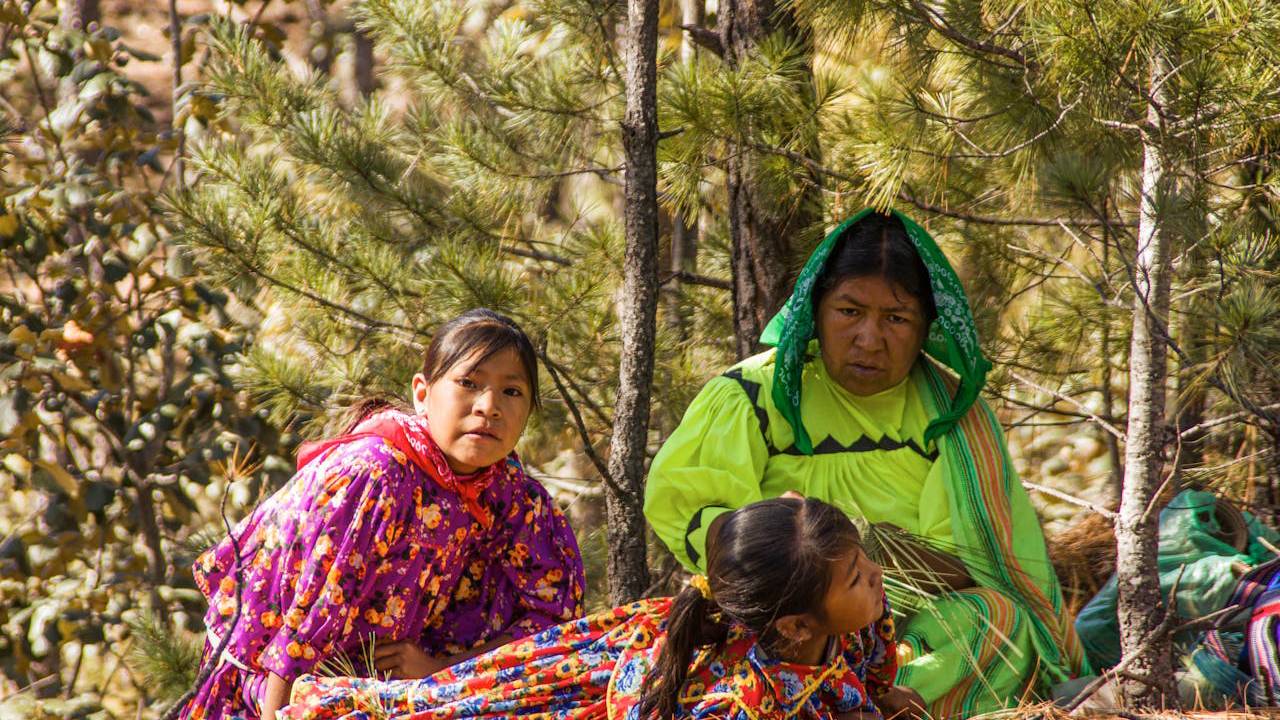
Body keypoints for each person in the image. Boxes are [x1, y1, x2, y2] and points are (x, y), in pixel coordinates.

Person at [644, 209, 1089, 717]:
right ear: (815, 309)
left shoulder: (949, 414)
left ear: (926, 328)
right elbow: (687, 506)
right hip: (788, 622)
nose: (869, 338)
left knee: (999, 621)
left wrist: (872, 559)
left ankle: (871, 693)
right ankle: (843, 692)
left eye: (896, 319)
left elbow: (986, 556)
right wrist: (802, 567)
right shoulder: (754, 395)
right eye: (849, 311)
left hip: (912, 626)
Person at [179, 309, 586, 720]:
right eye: (468, 383)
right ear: (422, 394)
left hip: (398, 684)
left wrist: (441, 671)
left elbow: (553, 620)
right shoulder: (376, 475)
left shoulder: (513, 495)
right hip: (273, 682)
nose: (489, 407)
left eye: (511, 392)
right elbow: (303, 626)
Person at [280, 497, 925, 720]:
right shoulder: (734, 700)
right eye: (858, 578)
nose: (877, 579)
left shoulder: (857, 624)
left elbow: (853, 685)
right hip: (593, 691)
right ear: (795, 625)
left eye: (864, 565)